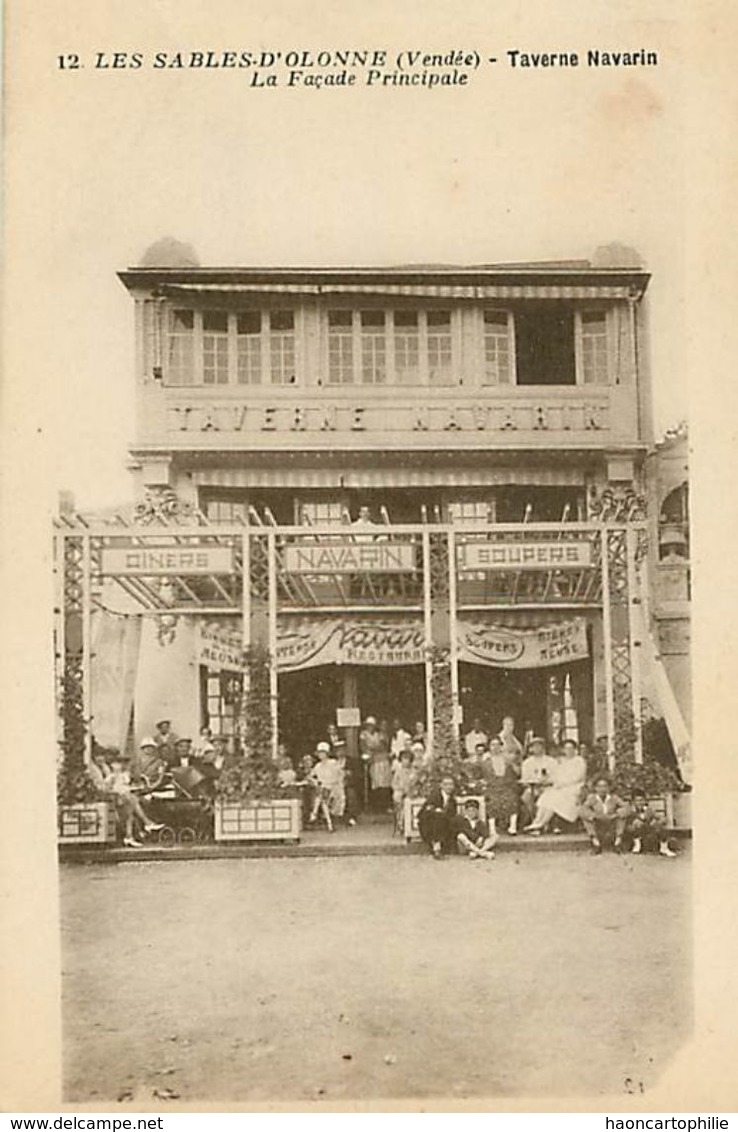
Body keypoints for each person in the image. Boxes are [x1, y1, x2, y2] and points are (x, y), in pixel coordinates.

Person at [89, 747, 163, 847]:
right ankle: (146, 823)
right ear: (94, 757)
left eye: (102, 756)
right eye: (98, 756)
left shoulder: (105, 767)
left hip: (114, 795)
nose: (101, 758)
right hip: (103, 796)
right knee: (131, 799)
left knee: (130, 803)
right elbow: (101, 787)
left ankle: (130, 836)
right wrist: (113, 783)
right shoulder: (93, 769)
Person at [523, 738, 587, 834]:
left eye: (571, 748)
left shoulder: (579, 761)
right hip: (561, 788)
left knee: (553, 799)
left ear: (575, 750)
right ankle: (537, 821)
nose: (568, 751)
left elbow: (578, 777)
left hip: (574, 787)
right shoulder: (562, 761)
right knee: (547, 796)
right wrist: (553, 782)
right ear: (563, 750)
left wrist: (560, 784)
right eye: (566, 749)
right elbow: (556, 776)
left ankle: (541, 824)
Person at [579, 776, 631, 854]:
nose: (602, 789)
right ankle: (596, 844)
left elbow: (626, 807)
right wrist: (594, 815)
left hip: (611, 824)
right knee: (586, 818)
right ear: (595, 788)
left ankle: (617, 843)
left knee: (621, 817)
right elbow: (583, 809)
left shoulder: (614, 798)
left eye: (605, 786)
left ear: (609, 788)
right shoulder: (592, 798)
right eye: (599, 786)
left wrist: (617, 814)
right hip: (598, 824)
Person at [482, 736, 520, 835]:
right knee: (492, 801)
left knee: (511, 799)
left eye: (498, 745)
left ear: (501, 746)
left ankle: (512, 827)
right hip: (492, 787)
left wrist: (513, 764)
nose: (495, 747)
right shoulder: (485, 761)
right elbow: (478, 775)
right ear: (489, 747)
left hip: (506, 786)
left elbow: (517, 773)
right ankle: (492, 829)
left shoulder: (507, 760)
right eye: (493, 745)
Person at [519, 737, 557, 827]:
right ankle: (536, 819)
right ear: (530, 749)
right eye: (534, 746)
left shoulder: (551, 761)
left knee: (550, 796)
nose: (537, 748)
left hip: (548, 788)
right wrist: (532, 783)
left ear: (543, 747)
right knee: (526, 797)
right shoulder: (527, 763)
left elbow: (555, 777)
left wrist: (546, 782)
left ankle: (541, 822)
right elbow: (524, 779)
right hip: (532, 788)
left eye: (539, 746)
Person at [417, 774, 458, 859]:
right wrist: (436, 811)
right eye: (446, 784)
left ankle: (439, 847)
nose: (449, 787)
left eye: (451, 784)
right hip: (428, 825)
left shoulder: (452, 800)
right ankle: (437, 848)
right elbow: (424, 814)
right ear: (441, 785)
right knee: (438, 817)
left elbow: (452, 816)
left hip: (444, 827)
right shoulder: (434, 796)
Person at [626, 792, 677, 857]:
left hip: (647, 828)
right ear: (633, 802)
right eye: (637, 801)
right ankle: (637, 845)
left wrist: (659, 821)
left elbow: (659, 817)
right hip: (634, 830)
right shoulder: (630, 810)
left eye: (641, 800)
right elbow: (627, 822)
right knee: (637, 824)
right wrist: (634, 823)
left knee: (658, 826)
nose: (640, 803)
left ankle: (664, 848)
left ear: (645, 801)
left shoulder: (648, 809)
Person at [359, 716, 392, 812]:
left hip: (383, 759)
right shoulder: (363, 734)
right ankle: (375, 805)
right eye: (368, 725)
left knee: (385, 782)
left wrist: (375, 748)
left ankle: (385, 805)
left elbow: (383, 746)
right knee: (375, 782)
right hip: (372, 760)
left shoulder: (380, 734)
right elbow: (363, 747)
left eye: (372, 725)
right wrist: (371, 751)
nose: (370, 727)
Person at [308, 742, 339, 832]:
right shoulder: (318, 766)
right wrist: (315, 781)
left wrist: (326, 783)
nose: (321, 755)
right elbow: (310, 776)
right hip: (323, 790)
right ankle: (329, 824)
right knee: (322, 800)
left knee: (321, 797)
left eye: (323, 753)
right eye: (319, 753)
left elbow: (337, 776)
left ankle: (314, 813)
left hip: (333, 788)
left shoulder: (333, 763)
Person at [391, 747, 417, 831]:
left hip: (410, 791)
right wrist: (400, 789)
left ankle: (409, 823)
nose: (405, 761)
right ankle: (401, 822)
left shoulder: (413, 771)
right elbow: (394, 784)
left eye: (407, 759)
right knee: (398, 799)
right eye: (403, 759)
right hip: (400, 792)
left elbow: (415, 782)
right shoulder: (398, 771)